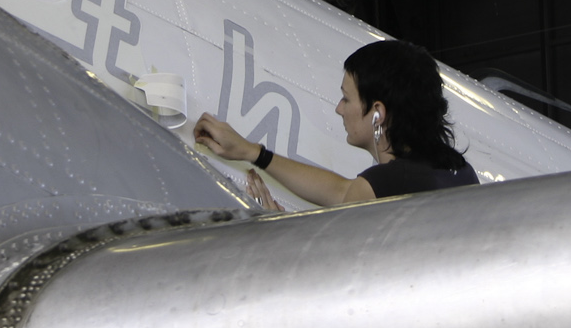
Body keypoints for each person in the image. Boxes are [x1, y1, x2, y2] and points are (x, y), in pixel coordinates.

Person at [194, 39, 477, 209]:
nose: (339, 109)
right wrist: (253, 153)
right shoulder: (460, 171)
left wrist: (279, 231)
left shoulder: (388, 183)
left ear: (377, 113)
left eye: (346, 98)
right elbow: (341, 191)